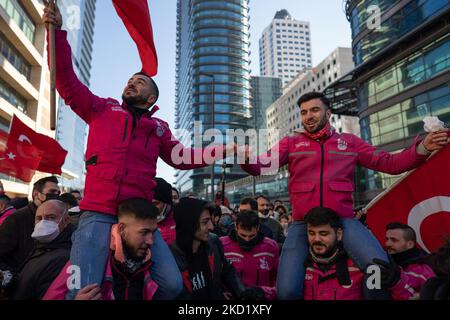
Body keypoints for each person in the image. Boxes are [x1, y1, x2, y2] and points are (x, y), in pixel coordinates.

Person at [42, 2, 233, 299]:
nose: (132, 82)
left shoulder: (159, 128)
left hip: (139, 218)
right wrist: (57, 33)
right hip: (97, 214)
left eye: (139, 81)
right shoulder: (102, 108)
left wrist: (220, 150)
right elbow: (65, 81)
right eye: (130, 80)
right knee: (82, 290)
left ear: (152, 96)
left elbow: (183, 158)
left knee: (170, 284)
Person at [240, 91, 449, 299]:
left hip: (343, 221)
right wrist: (246, 158)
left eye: (314, 110)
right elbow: (261, 167)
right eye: (303, 112)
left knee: (379, 270)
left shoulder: (350, 142)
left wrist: (423, 148)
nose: (308, 116)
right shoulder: (291, 143)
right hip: (303, 224)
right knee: (286, 291)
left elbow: (390, 163)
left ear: (328, 113)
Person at [44, 198, 160, 300]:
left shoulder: (155, 267)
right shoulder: (86, 258)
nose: (151, 241)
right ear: (122, 229)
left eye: (153, 232)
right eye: (143, 232)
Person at [170, 198, 260, 300]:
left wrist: (242, 293)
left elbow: (227, 270)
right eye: (205, 222)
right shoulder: (170, 258)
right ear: (188, 224)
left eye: (210, 221)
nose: (211, 227)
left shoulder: (213, 243)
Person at [0, 176, 60, 285]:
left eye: (58, 193)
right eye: (52, 191)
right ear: (36, 194)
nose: (56, 196)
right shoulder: (16, 219)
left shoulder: (57, 219)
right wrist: (13, 278)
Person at [303, 207, 369, 300]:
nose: (316, 239)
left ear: (338, 234)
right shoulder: (299, 267)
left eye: (323, 233)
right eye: (312, 233)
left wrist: (395, 285)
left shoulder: (359, 267)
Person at [13, 199, 73, 300]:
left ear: (66, 220)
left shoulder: (63, 257)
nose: (43, 223)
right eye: (39, 218)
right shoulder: (42, 247)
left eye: (51, 217)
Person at [220, 210, 279, 300]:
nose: (247, 239)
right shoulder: (221, 245)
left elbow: (279, 283)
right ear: (236, 227)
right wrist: (220, 293)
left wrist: (262, 292)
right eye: (243, 235)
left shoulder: (271, 247)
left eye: (251, 236)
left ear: (258, 228)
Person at [371, 223, 435, 300]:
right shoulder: (382, 262)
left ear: (410, 244)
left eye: (394, 240)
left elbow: (433, 294)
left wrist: (398, 284)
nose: (387, 244)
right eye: (387, 239)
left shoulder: (424, 270)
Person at [153, 178, 176, 246]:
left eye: (155, 203)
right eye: (147, 203)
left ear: (167, 204)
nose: (150, 208)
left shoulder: (181, 220)